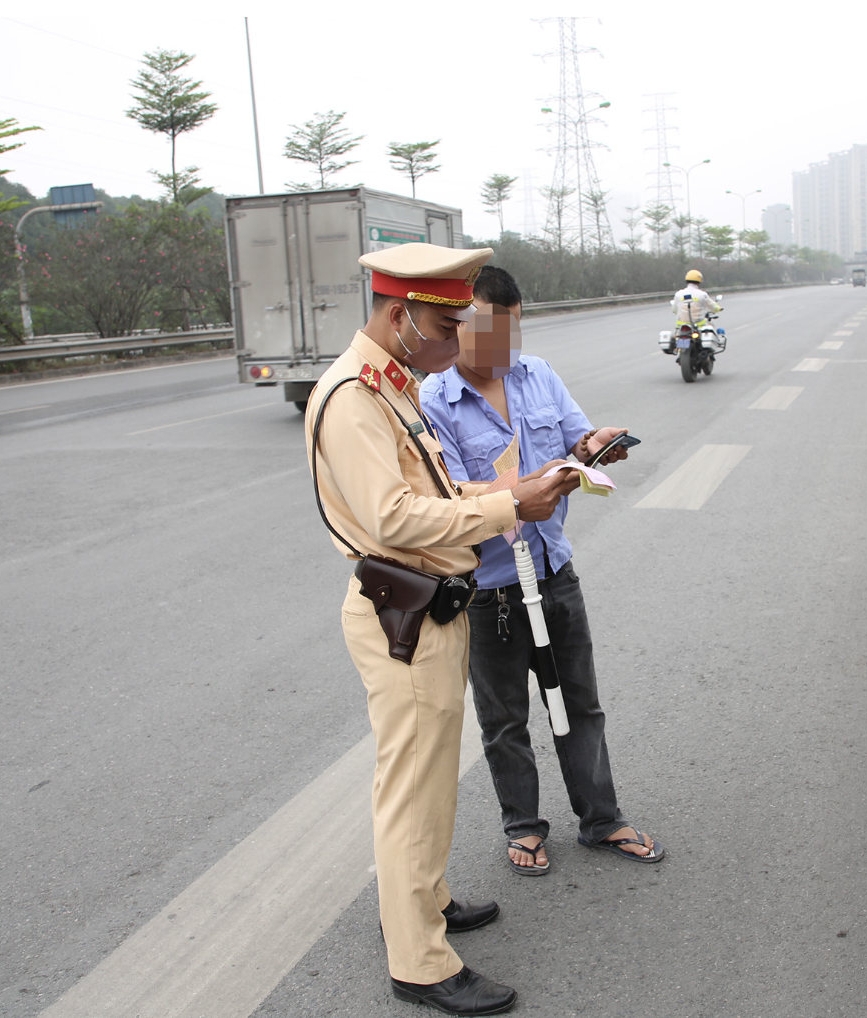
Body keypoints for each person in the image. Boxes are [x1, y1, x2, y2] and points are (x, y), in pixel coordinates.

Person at [305, 243, 576, 1016]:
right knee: (413, 790)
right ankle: (420, 961)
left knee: (428, 780)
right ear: (400, 317)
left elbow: (431, 485)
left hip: (433, 603)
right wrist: (502, 508)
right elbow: (391, 515)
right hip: (406, 612)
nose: (458, 343)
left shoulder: (394, 386)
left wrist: (507, 489)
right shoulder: (355, 398)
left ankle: (423, 900)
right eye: (445, 325)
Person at [420, 265, 664, 877]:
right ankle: (523, 828)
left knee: (580, 702)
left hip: (553, 569)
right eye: (481, 333)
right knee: (505, 720)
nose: (498, 350)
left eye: (510, 332)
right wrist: (520, 491)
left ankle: (601, 818)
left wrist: (591, 447)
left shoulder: (539, 375)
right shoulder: (433, 400)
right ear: (457, 327)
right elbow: (446, 494)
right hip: (490, 589)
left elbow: (575, 439)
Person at [671, 267, 721, 332]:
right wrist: (719, 308)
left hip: (681, 327)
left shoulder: (678, 294)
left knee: (675, 337)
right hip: (699, 327)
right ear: (699, 281)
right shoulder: (702, 294)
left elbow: (674, 309)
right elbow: (713, 307)